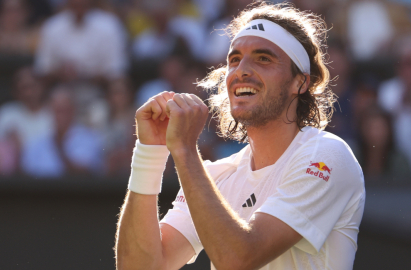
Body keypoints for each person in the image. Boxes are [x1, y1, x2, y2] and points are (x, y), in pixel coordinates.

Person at [116, 2, 365, 270]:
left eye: (263, 58)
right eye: (234, 59)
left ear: (300, 83)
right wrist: (149, 152)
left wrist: (186, 150)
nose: (241, 70)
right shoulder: (217, 176)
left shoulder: (326, 156)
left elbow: (239, 260)